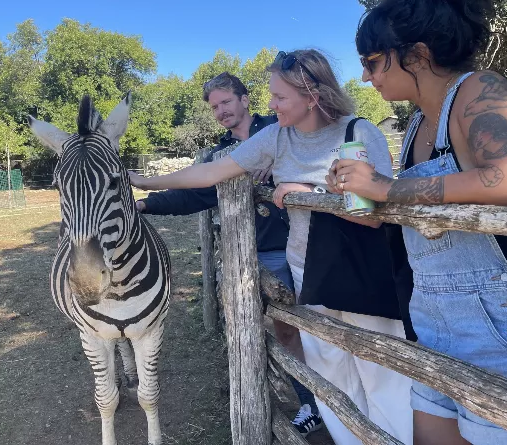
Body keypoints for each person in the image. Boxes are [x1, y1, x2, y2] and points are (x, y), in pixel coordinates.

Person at [330, 0, 507, 445]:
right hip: (436, 318)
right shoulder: (415, 122)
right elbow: (425, 206)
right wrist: (373, 203)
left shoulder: (482, 88)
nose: (367, 76)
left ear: (416, 54)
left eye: (373, 62)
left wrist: (388, 188)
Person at [129, 49, 414, 445]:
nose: (271, 103)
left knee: (382, 374)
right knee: (330, 373)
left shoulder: (358, 133)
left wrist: (305, 193)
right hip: (308, 273)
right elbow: (213, 172)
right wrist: (146, 183)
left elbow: (373, 215)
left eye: (279, 96)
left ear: (311, 94)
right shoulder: (277, 137)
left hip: (361, 275)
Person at [136, 72, 323, 436]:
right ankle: (312, 405)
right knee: (286, 332)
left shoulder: (282, 129)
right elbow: (194, 194)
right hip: (263, 254)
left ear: (245, 99)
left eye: (226, 102)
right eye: (214, 106)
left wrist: (280, 168)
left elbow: (315, 156)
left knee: (323, 324)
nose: (221, 111)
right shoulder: (220, 155)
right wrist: (145, 204)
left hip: (309, 244)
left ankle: (345, 398)